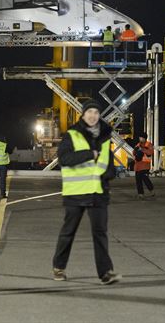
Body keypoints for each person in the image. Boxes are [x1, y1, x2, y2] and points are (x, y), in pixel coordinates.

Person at [52, 100, 122, 285]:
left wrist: (109, 175)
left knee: (100, 234)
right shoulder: (72, 135)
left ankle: (105, 273)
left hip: (98, 193)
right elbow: (64, 159)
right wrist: (90, 154)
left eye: (96, 112)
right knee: (68, 232)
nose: (93, 115)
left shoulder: (105, 137)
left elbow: (108, 162)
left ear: (99, 116)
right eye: (89, 112)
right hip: (75, 193)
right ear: (83, 115)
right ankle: (59, 268)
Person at [134, 132, 155, 200]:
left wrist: (142, 149)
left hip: (145, 165)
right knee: (138, 180)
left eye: (141, 137)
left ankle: (151, 191)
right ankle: (141, 194)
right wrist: (135, 150)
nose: (140, 138)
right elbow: (134, 152)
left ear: (144, 138)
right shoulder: (138, 144)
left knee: (145, 179)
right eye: (139, 137)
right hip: (138, 165)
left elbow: (150, 152)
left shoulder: (149, 144)